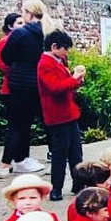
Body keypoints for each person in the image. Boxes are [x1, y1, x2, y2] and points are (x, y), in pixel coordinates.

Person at [0, 0, 49, 174]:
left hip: (20, 83)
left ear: (29, 13)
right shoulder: (47, 32)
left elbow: (6, 56)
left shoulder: (20, 33)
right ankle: (22, 159)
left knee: (16, 124)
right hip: (40, 83)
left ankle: (5, 163)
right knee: (32, 124)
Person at [37, 29, 87, 202]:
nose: (67, 52)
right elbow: (55, 88)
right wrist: (74, 78)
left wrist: (77, 80)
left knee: (76, 152)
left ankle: (78, 184)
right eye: (65, 48)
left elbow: (66, 85)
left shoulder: (58, 61)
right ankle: (56, 188)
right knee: (60, 154)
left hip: (68, 113)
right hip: (57, 115)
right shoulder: (45, 64)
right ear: (54, 47)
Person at [0, 11, 29, 179]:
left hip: (21, 87)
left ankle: (20, 158)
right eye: (19, 23)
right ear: (10, 26)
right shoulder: (5, 42)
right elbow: (2, 64)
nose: (23, 26)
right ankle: (7, 162)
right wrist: (19, 75)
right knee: (16, 126)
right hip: (11, 89)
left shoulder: (23, 40)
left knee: (24, 126)